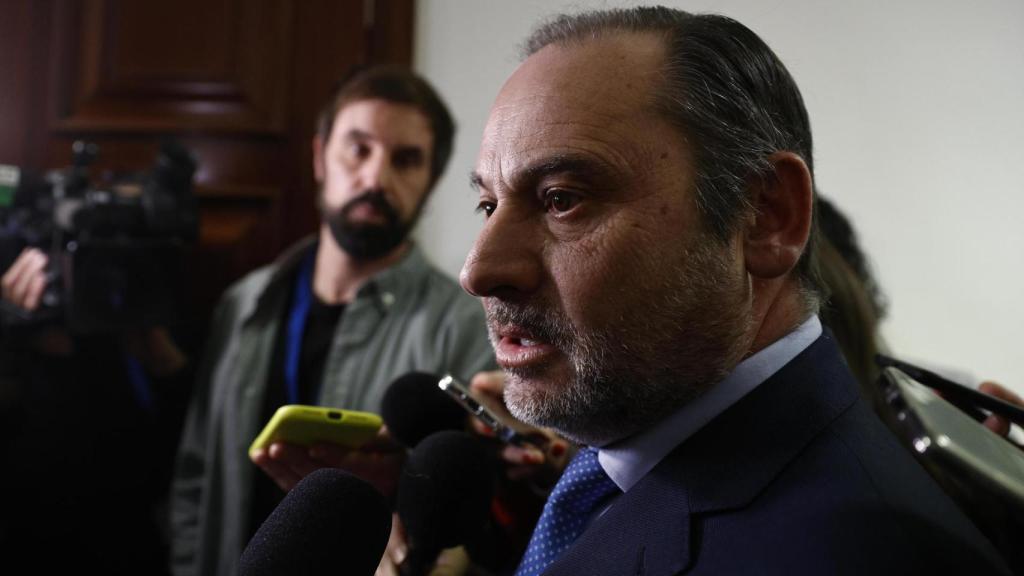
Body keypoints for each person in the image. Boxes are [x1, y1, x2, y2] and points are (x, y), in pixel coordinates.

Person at [459, 7, 1011, 575]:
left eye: (562, 199)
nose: (478, 271)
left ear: (767, 217)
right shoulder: (606, 477)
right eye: (488, 205)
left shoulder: (853, 553)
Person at [169, 66, 495, 576]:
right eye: (358, 149)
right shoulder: (244, 303)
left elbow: (481, 517)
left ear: (430, 181)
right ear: (321, 157)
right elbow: (196, 477)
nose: (376, 178)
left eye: (406, 160)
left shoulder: (467, 325)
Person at [1, 248, 191, 575]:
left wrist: (167, 368)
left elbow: (185, 463)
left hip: (132, 542)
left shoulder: (133, 322)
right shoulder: (17, 339)